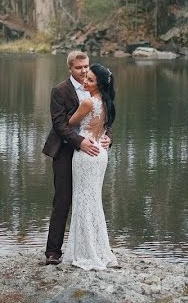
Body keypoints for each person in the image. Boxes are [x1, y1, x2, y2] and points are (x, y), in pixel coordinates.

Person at [42, 52, 111, 266]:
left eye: (86, 66)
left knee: (89, 199)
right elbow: (59, 124)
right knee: (63, 199)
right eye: (79, 67)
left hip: (91, 153)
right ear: (70, 68)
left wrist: (108, 138)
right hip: (65, 150)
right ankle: (53, 251)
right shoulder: (60, 91)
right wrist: (79, 142)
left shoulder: (97, 88)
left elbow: (105, 119)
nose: (83, 71)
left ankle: (89, 246)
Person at [61, 63, 118, 270]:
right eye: (86, 77)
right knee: (93, 201)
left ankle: (86, 252)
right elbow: (105, 125)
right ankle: (99, 249)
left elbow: (69, 123)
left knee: (83, 201)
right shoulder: (107, 102)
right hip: (100, 153)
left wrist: (72, 112)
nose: (85, 81)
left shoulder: (87, 102)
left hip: (86, 152)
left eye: (90, 80)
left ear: (99, 84)